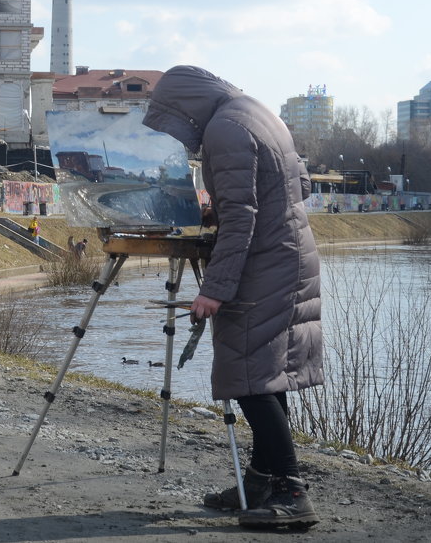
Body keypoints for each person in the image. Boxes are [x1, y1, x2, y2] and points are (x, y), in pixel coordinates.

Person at [143, 65, 322, 529]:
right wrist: (222, 204)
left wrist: (213, 292)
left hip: (265, 263)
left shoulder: (224, 129)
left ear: (185, 108)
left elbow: (242, 218)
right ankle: (262, 480)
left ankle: (291, 492)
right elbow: (297, 187)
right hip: (289, 253)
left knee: (245, 374)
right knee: (265, 375)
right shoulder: (255, 112)